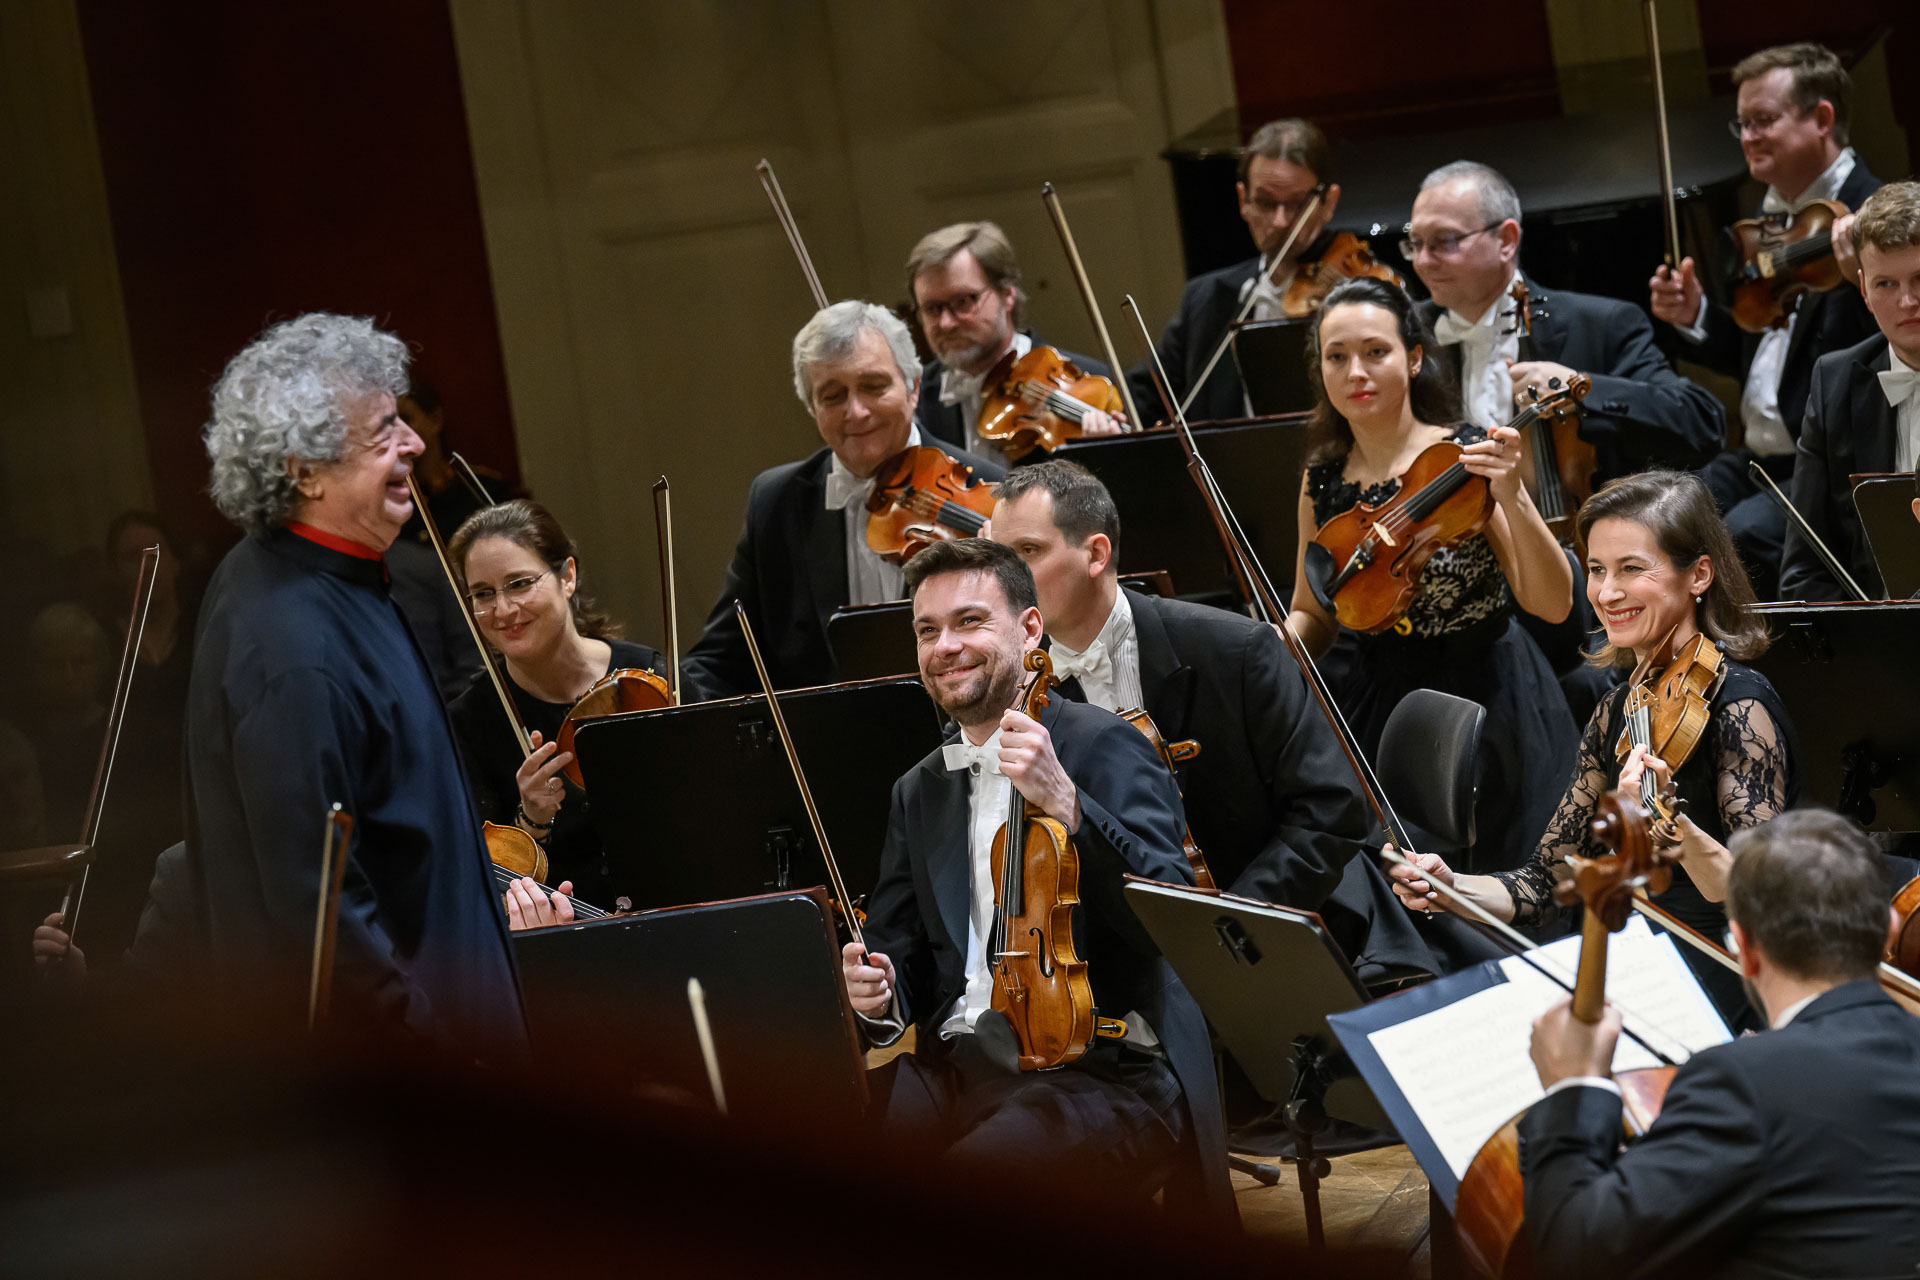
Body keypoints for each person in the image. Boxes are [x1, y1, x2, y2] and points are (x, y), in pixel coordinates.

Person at [843, 537, 1230, 1223]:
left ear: (1028, 629)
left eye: (969, 621)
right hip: (962, 1068)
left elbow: (1172, 920)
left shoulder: (1101, 743)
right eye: (927, 630)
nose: (945, 647)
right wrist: (875, 991)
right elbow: (901, 950)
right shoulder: (920, 788)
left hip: (1106, 1071)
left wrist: (1070, 804)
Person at [186, 313, 524, 1055]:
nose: (412, 443)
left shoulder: (334, 578)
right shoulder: (290, 645)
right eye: (382, 433)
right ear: (302, 471)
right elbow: (327, 926)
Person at [988, 459, 1435, 982]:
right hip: (1121, 959)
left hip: (1285, 926)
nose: (1007, 580)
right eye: (1000, 557)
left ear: (1095, 554)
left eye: (1028, 553)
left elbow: (1331, 811)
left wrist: (1226, 930)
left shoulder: (1238, 650)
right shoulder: (1013, 685)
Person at [1390, 470, 1795, 1030]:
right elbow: (1542, 884)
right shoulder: (1619, 709)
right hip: (1635, 953)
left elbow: (1756, 894)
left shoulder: (1740, 709)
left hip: (1720, 968)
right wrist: (1450, 886)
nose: (1606, 593)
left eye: (1632, 569)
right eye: (1598, 570)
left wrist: (1667, 822)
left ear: (1699, 573)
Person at [1518, 809, 1920, 1277]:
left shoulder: (1743, 1084)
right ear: (1889, 931)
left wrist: (1574, 1086)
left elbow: (1577, 1252)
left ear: (1746, 950)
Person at [1411, 160, 1725, 719]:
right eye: (1416, 244)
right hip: (1445, 589)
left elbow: (1700, 423)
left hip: (1582, 580)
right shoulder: (1405, 341)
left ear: (1507, 239)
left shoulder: (1599, 324)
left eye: (1445, 242)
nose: (1423, 261)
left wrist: (1580, 389)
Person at [1288, 277, 1577, 875]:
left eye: (1376, 351)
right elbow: (1315, 614)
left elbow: (1551, 605)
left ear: (1414, 358)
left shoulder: (1465, 456)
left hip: (1491, 695)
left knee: (1507, 883)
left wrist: (1512, 494)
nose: (1356, 372)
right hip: (1386, 702)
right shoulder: (1323, 480)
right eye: (1336, 357)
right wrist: (1272, 646)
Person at [1649, 42, 1883, 600]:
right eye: (1742, 124)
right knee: (1653, 520)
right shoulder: (1771, 224)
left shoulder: (1878, 216)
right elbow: (1764, 348)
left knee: (1730, 545)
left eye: (1763, 120)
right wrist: (1699, 316)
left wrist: (1861, 277)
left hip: (1833, 467)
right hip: (1757, 458)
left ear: (1821, 118)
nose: (1748, 136)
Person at [681, 301, 1003, 700]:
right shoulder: (776, 501)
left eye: (874, 386)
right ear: (811, 408)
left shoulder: (993, 492)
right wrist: (661, 695)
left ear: (914, 386)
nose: (857, 411)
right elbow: (723, 660)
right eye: (833, 396)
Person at [445, 499, 668, 910]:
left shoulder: (650, 677)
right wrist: (532, 818)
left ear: (567, 576)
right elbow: (480, 888)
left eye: (519, 583)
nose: (503, 609)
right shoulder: (468, 724)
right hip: (567, 938)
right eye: (483, 593)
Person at [1130, 118, 1346, 423]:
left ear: (1328, 202)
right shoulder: (1206, 297)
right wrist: (1107, 415)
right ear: (1244, 200)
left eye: (1297, 204)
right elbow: (1143, 398)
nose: (1281, 221)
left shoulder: (1363, 290)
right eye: (1266, 203)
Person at [1781, 180, 1920, 600]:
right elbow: (1804, 571)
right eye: (1886, 285)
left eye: (1919, 279)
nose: (1908, 301)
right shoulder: (1835, 383)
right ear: (1862, 288)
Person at [906, 221, 1123, 465]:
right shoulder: (914, 397)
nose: (946, 323)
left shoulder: (1094, 382)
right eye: (932, 309)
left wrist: (1108, 458)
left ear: (1007, 294)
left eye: (963, 302)